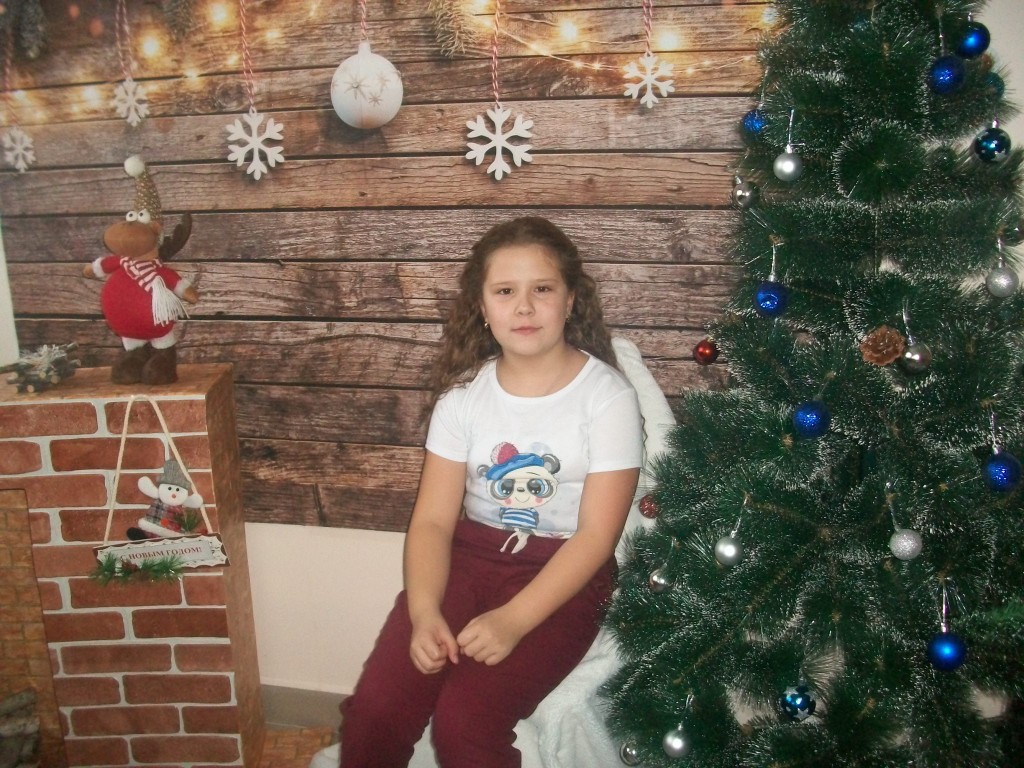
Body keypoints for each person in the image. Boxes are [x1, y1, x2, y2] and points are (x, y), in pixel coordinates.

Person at [339, 216, 643, 768]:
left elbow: (596, 537)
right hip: (468, 558)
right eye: (505, 292)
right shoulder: (463, 397)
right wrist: (424, 612)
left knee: (466, 724)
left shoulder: (607, 397)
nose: (523, 307)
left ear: (571, 300)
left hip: (564, 573)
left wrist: (514, 619)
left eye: (542, 289)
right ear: (482, 307)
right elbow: (432, 522)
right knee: (376, 710)